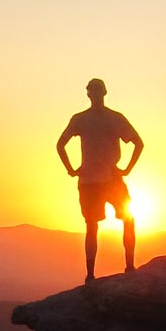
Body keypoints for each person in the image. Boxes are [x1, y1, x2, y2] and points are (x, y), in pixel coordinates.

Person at [56, 78, 143, 284]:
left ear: (99, 93)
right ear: (100, 93)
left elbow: (60, 145)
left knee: (95, 225)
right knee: (121, 221)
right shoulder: (113, 118)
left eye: (96, 91)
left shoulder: (82, 119)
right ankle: (125, 268)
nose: (95, 94)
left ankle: (93, 275)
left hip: (94, 180)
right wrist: (127, 169)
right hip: (106, 179)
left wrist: (71, 170)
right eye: (93, 91)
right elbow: (138, 143)